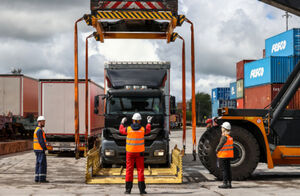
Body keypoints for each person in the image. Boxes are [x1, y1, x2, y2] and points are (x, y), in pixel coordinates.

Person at [119, 113, 152, 194]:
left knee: (129, 170)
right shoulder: (142, 130)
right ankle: (142, 190)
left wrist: (122, 123)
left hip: (130, 153)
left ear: (133, 120)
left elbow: (121, 130)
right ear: (140, 121)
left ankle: (128, 190)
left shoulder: (128, 129)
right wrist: (148, 122)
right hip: (140, 153)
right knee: (140, 170)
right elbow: (148, 130)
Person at [216, 122, 233, 189]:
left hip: (223, 156)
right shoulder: (230, 137)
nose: (221, 128)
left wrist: (216, 150)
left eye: (222, 127)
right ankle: (229, 183)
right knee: (228, 169)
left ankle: (225, 183)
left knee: (224, 170)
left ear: (224, 129)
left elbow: (220, 145)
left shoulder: (224, 137)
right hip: (228, 156)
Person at [33, 116, 48, 183]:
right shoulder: (39, 130)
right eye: (43, 121)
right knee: (42, 164)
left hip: (37, 149)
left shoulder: (37, 129)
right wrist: (45, 149)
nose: (44, 123)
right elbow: (41, 141)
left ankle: (37, 178)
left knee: (38, 164)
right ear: (39, 122)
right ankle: (41, 179)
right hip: (40, 149)